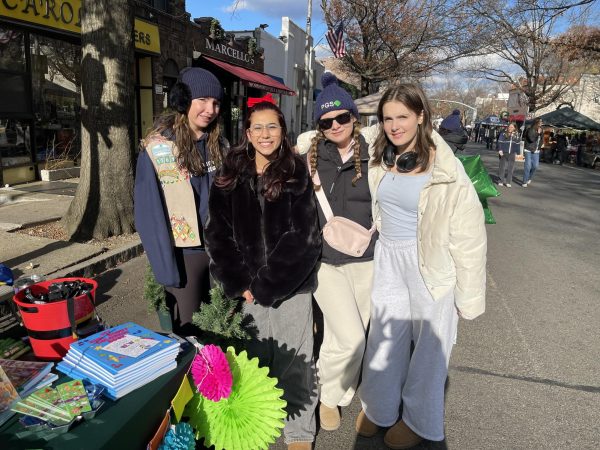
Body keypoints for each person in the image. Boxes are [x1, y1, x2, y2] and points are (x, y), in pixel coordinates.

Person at [353, 84, 487, 449]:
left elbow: (470, 235)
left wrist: (469, 295)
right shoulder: (382, 153)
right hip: (389, 259)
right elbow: (342, 130)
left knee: (429, 349)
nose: (395, 126)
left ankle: (418, 419)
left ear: (421, 116)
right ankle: (379, 407)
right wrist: (306, 140)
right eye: (387, 118)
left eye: (403, 117)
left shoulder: (447, 168)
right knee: (384, 337)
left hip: (430, 261)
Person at [204, 98, 321, 450]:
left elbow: (305, 238)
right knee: (251, 358)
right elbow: (217, 233)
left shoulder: (295, 172)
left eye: (272, 126)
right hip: (245, 289)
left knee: (294, 360)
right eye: (258, 127)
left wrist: (268, 285)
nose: (265, 134)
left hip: (291, 286)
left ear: (283, 131)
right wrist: (240, 283)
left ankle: (299, 429)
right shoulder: (229, 174)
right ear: (248, 132)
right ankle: (255, 418)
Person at [298, 73, 376, 432]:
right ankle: (329, 396)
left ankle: (338, 391)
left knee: (344, 336)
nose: (335, 125)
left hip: (368, 259)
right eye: (326, 121)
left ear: (353, 118)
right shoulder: (309, 157)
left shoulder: (377, 154)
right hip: (325, 262)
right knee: (352, 338)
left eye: (341, 117)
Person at [134, 67, 227, 335]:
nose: (210, 109)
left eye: (216, 102)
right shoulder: (158, 149)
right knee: (191, 337)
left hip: (218, 253)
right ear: (183, 101)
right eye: (202, 100)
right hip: (184, 257)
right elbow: (148, 213)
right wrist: (167, 270)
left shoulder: (220, 147)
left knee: (222, 335)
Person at [496, 123, 521, 187]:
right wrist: (500, 150)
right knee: (502, 167)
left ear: (514, 128)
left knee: (511, 168)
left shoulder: (517, 135)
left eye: (512, 127)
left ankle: (508, 182)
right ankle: (500, 180)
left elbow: (518, 145)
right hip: (503, 153)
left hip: (512, 153)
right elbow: (499, 142)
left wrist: (518, 153)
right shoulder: (503, 133)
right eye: (509, 127)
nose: (510, 128)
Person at [523, 118, 543, 187]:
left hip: (536, 151)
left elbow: (541, 139)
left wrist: (540, 146)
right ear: (536, 122)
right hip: (528, 149)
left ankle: (529, 178)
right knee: (528, 166)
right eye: (540, 122)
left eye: (541, 122)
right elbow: (531, 139)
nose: (541, 123)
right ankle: (524, 181)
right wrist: (538, 133)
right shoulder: (530, 129)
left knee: (535, 166)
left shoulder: (541, 130)